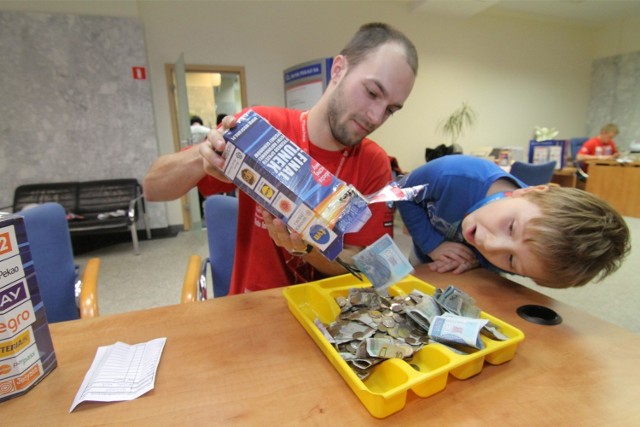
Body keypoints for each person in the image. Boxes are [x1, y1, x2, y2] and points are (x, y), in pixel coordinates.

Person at [144, 22, 419, 294]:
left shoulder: (374, 162)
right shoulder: (262, 126)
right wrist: (203, 156)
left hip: (328, 316)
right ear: (338, 70)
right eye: (372, 93)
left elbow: (365, 264)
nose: (376, 117)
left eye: (390, 109)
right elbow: (153, 187)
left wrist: (307, 248)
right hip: (255, 309)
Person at [397, 155, 630, 288]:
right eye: (511, 227)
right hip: (424, 246)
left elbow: (491, 261)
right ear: (528, 192)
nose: (490, 245)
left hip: (457, 271)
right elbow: (403, 193)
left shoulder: (531, 256)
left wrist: (478, 262)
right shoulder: (454, 174)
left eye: (510, 260)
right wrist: (432, 244)